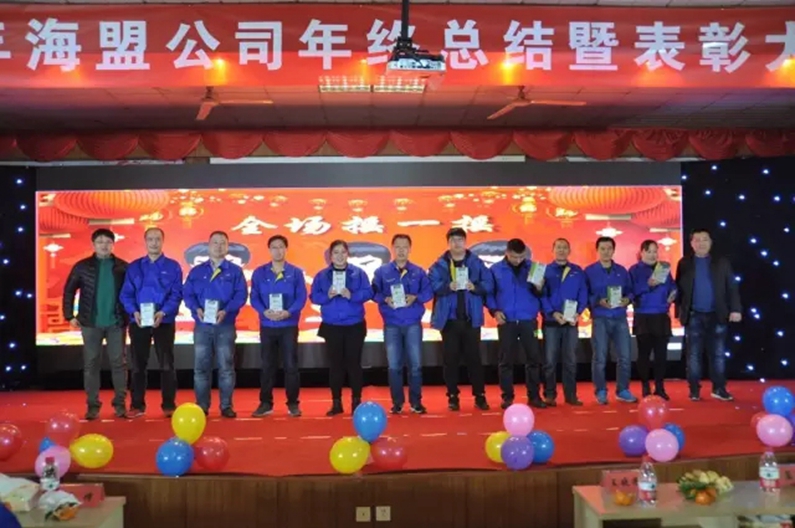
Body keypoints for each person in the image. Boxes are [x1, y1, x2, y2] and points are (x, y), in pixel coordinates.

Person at [62, 228, 129, 420]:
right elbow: (69, 291)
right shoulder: (82, 267)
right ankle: (93, 406)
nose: (104, 245)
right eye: (100, 242)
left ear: (113, 244)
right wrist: (69, 315)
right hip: (90, 323)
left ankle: (120, 405)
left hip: (116, 323)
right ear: (93, 244)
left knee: (119, 364)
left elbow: (132, 292)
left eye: (108, 242)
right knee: (91, 364)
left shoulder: (123, 267)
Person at [119, 227, 184, 418]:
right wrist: (134, 311)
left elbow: (176, 294)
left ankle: (169, 404)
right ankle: (137, 405)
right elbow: (126, 294)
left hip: (164, 321)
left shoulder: (173, 266)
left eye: (157, 239)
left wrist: (163, 312)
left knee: (166, 364)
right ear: (145, 242)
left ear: (163, 241)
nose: (154, 243)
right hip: (139, 321)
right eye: (150, 239)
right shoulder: (134, 267)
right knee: (138, 365)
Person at [183, 231, 248, 418]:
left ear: (227, 247)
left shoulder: (235, 271)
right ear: (208, 246)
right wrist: (196, 309)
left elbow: (241, 295)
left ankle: (226, 406)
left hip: (225, 326)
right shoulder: (197, 271)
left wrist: (226, 310)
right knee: (200, 369)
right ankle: (202, 406)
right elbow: (188, 294)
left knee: (226, 368)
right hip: (202, 326)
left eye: (222, 243)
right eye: (215, 243)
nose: (219, 246)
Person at [428, 227, 493, 411]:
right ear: (448, 243)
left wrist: (475, 287)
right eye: (453, 240)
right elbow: (432, 285)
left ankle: (479, 396)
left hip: (471, 319)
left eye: (460, 240)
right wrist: (448, 286)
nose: (457, 244)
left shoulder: (476, 263)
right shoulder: (439, 264)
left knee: (475, 360)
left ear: (465, 242)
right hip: (449, 321)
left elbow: (489, 284)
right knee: (450, 361)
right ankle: (452, 396)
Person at [675, 228, 742, 402]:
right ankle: (694, 390)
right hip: (693, 315)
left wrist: (735, 309)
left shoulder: (722, 263)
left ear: (711, 242)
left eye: (705, 239)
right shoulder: (684, 263)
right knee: (693, 355)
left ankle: (719, 388)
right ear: (691, 244)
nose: (701, 243)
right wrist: (679, 313)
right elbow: (679, 290)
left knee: (718, 354)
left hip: (717, 314)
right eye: (697, 240)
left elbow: (732, 287)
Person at [310, 240, 374, 416]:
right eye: (336, 252)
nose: (339, 256)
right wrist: (327, 295)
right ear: (330, 256)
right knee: (335, 365)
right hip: (332, 326)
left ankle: (356, 402)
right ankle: (336, 403)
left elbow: (369, 292)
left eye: (343, 252)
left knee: (354, 364)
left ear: (348, 254)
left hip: (354, 325)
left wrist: (352, 295)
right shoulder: (322, 275)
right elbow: (313, 296)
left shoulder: (358, 273)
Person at [372, 234, 433, 415]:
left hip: (413, 323)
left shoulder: (418, 272)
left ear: (410, 249)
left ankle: (416, 402)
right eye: (397, 247)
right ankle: (397, 403)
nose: (401, 250)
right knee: (394, 366)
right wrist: (385, 299)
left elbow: (428, 292)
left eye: (404, 247)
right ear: (392, 249)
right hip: (391, 324)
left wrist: (416, 297)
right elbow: (373, 292)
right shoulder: (382, 272)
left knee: (415, 365)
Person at [249, 234, 307, 418]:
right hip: (267, 325)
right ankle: (265, 403)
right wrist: (263, 311)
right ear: (269, 250)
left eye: (281, 247)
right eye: (274, 247)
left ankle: (293, 403)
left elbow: (301, 297)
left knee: (291, 365)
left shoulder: (295, 273)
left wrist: (289, 312)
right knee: (267, 365)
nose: (278, 250)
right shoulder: (260, 272)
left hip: (288, 324)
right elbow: (254, 297)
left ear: (286, 249)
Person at [486, 238, 546, 409]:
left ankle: (534, 396)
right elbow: (489, 294)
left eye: (521, 257)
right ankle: (507, 397)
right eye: (514, 257)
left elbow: (541, 293)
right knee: (506, 361)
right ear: (507, 253)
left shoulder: (534, 268)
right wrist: (494, 311)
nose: (518, 260)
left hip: (528, 319)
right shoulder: (495, 269)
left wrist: (540, 286)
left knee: (533, 359)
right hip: (507, 320)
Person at [585, 236, 637, 405]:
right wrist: (598, 301)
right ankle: (601, 391)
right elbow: (585, 294)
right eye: (603, 249)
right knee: (599, 358)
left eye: (609, 248)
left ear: (614, 250)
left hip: (620, 317)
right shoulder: (589, 271)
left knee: (625, 356)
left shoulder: (622, 271)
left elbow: (631, 292)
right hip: (600, 318)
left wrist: (627, 300)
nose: (606, 252)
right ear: (597, 250)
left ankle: (623, 390)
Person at [541, 238, 587, 407]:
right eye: (558, 247)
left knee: (570, 361)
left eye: (564, 247)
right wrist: (552, 313)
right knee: (549, 362)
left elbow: (583, 294)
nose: (561, 250)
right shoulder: (545, 271)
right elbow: (541, 295)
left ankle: (571, 395)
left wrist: (578, 313)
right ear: (553, 250)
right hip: (551, 322)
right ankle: (550, 395)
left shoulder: (577, 271)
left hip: (571, 323)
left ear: (569, 251)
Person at [629, 240, 677, 400]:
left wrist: (673, 294)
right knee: (644, 354)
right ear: (641, 252)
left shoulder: (663, 268)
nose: (652, 255)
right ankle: (645, 386)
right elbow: (630, 291)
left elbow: (672, 286)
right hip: (643, 315)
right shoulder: (634, 270)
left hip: (661, 315)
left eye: (655, 251)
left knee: (661, 355)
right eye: (649, 251)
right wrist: (648, 285)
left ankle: (660, 387)